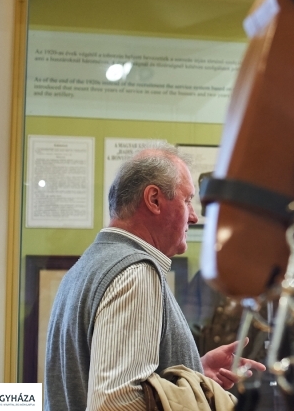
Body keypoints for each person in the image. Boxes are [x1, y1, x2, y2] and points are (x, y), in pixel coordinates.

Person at [44, 145, 264, 411]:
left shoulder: (83, 270)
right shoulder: (135, 272)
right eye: (187, 200)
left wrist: (196, 372)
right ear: (154, 200)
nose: (193, 216)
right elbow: (115, 403)